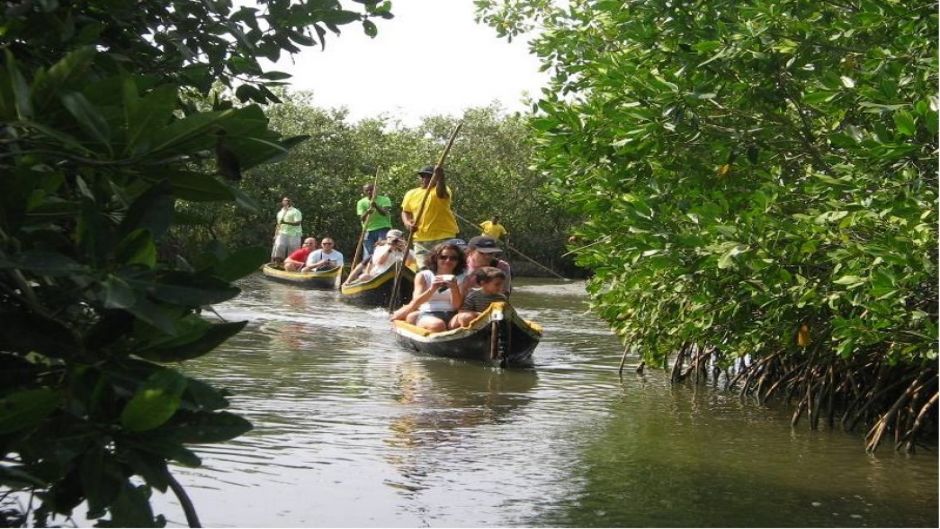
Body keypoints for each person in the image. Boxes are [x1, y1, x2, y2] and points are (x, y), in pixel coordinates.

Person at [390, 242, 467, 332]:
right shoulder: (424, 275)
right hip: (428, 314)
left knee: (467, 318)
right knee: (438, 325)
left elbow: (456, 306)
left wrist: (454, 288)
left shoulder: (462, 278)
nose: (448, 261)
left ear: (458, 261)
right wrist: (432, 289)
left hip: (452, 315)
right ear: (436, 258)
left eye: (453, 258)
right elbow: (416, 302)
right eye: (443, 257)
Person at [400, 165, 459, 268]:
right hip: (421, 239)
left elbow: (441, 193)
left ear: (435, 178)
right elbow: (405, 211)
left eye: (429, 176)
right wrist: (408, 223)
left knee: (444, 267)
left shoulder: (441, 189)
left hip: (443, 237)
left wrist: (441, 176)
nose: (425, 179)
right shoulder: (411, 193)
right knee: (424, 269)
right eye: (423, 176)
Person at [357, 183, 393, 257]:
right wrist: (367, 212)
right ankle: (370, 267)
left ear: (376, 190)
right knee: (370, 253)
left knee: (382, 251)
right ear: (364, 191)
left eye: (371, 190)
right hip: (367, 230)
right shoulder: (361, 202)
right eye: (367, 190)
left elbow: (385, 213)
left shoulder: (385, 199)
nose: (369, 192)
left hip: (383, 228)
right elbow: (361, 218)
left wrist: (376, 206)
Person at [271, 197, 303, 264]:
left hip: (294, 233)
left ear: (291, 202)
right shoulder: (280, 212)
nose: (286, 201)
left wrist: (285, 222)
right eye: (285, 200)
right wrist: (275, 235)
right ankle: (277, 264)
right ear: (282, 202)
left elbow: (298, 223)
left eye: (288, 200)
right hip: (282, 232)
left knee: (293, 249)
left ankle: (291, 265)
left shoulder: (296, 211)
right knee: (279, 246)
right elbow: (278, 224)